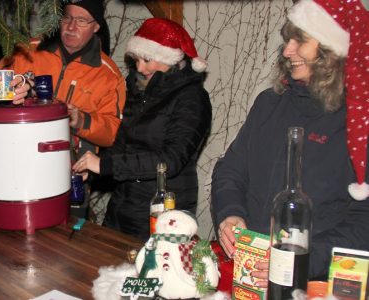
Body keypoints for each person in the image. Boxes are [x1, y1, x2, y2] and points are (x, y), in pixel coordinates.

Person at [212, 0, 369, 284]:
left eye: (300, 40)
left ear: (332, 51)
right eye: (288, 39)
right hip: (250, 274)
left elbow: (363, 222)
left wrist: (298, 261)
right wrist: (229, 213)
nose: (287, 51)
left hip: (317, 283)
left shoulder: (359, 124)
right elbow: (231, 169)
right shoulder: (268, 104)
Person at [72, 18, 212, 241]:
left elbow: (170, 160)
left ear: (170, 59)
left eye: (147, 60)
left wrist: (106, 164)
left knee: (149, 275)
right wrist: (97, 171)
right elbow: (122, 145)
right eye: (136, 60)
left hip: (164, 213)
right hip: (123, 207)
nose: (139, 68)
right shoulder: (139, 92)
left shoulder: (193, 98)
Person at [0, 0, 126, 218]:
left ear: (96, 27)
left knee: (65, 240)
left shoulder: (108, 75)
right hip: (17, 161)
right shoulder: (27, 50)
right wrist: (11, 94)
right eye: (67, 17)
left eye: (82, 20)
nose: (71, 26)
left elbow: (112, 132)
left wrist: (81, 120)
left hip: (70, 172)